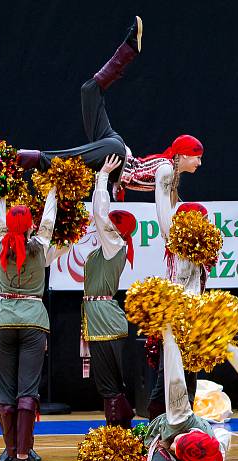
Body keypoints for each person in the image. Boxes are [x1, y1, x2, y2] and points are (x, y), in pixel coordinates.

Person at [15, 17, 203, 200]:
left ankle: (129, 48)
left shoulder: (167, 169)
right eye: (197, 157)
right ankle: (30, 158)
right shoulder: (167, 169)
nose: (200, 163)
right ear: (185, 155)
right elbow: (137, 177)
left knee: (89, 90)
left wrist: (117, 184)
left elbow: (136, 175)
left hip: (116, 147)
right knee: (70, 159)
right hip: (117, 155)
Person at [0, 184, 58, 461]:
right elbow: (49, 222)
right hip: (33, 322)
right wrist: (53, 192)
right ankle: (24, 454)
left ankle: (10, 450)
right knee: (28, 389)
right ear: (31, 226)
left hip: (2, 321)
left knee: (5, 390)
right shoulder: (40, 246)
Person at [146, 185, 211, 420]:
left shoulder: (202, 251)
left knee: (190, 375)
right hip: (175, 318)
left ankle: (187, 420)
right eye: (202, 220)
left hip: (193, 319)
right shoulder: (176, 247)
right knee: (168, 374)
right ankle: (156, 423)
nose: (205, 225)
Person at [82, 155, 136, 428]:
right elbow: (99, 216)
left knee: (109, 381)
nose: (106, 224)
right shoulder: (110, 246)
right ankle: (119, 430)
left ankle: (119, 432)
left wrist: (102, 177)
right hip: (100, 317)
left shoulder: (115, 243)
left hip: (104, 318)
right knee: (108, 380)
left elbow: (99, 214)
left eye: (112, 222)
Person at [143, 325, 230, 461]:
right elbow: (173, 371)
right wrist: (168, 334)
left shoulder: (210, 445)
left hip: (194, 454)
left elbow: (221, 445)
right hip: (174, 420)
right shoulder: (178, 415)